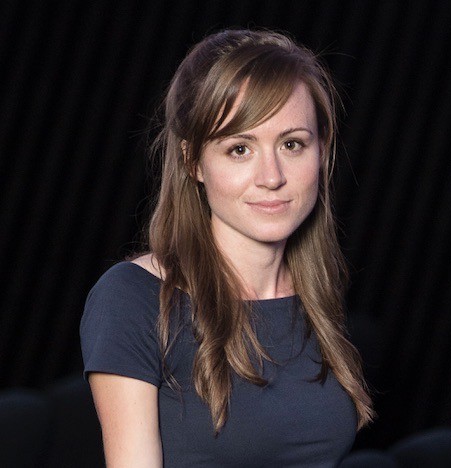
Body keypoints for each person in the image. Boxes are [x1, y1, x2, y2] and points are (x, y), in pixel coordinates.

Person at [80, 28, 374, 467]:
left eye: (292, 144)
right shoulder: (133, 298)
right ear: (192, 161)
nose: (272, 176)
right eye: (240, 149)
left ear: (322, 152)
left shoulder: (315, 293)